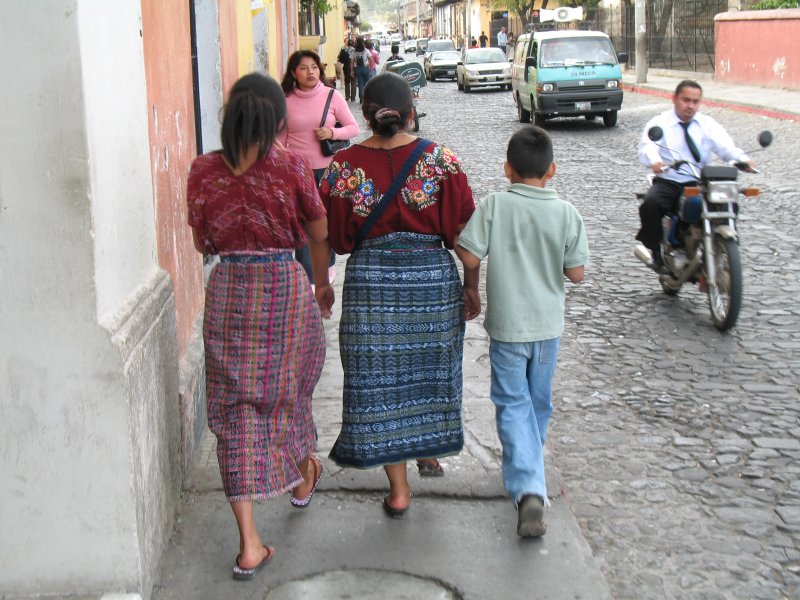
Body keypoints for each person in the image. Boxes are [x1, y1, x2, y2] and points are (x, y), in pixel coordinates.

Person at [186, 73, 334, 580]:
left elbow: (203, 242)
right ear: (277, 118)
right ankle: (300, 475)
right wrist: (321, 283)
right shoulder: (292, 166)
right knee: (289, 388)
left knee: (236, 403)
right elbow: (319, 233)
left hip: (229, 289)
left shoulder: (203, 171)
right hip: (283, 289)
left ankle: (249, 543)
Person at [318, 72, 481, 517]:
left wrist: (322, 281)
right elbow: (466, 235)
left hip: (372, 285)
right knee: (428, 372)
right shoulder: (442, 161)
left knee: (380, 382)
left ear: (366, 116)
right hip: (432, 282)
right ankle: (426, 445)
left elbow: (334, 236)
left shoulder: (342, 166)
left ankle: (399, 490)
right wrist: (471, 287)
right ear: (412, 112)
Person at [456, 126, 589, 538]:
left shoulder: (495, 205)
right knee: (538, 402)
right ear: (552, 171)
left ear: (507, 169)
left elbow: (468, 251)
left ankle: (528, 483)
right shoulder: (567, 212)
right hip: (547, 327)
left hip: (509, 328)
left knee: (513, 403)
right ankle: (528, 472)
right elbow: (577, 273)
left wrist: (472, 285)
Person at [636, 80, 754, 271]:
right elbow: (648, 146)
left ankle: (724, 250)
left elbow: (726, 146)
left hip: (700, 181)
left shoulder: (707, 124)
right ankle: (656, 251)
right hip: (671, 179)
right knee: (651, 203)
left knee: (729, 202)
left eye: (695, 101)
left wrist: (743, 160)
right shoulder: (660, 123)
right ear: (674, 99)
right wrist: (655, 161)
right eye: (686, 100)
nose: (690, 106)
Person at [280, 50, 360, 284]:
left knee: (326, 219)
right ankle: (308, 274)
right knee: (303, 221)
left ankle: (328, 263)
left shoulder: (331, 96)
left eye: (314, 67)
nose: (310, 72)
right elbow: (280, 137)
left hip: (327, 170)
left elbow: (353, 128)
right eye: (304, 68)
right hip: (297, 171)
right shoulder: (285, 99)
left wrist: (332, 132)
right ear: (294, 72)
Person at [352, 37, 373, 104]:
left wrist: (352, 70)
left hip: (357, 69)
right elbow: (371, 59)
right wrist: (370, 67)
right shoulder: (366, 50)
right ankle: (367, 99)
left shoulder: (354, 51)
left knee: (360, 83)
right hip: (365, 68)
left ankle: (361, 98)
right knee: (367, 83)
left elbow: (351, 61)